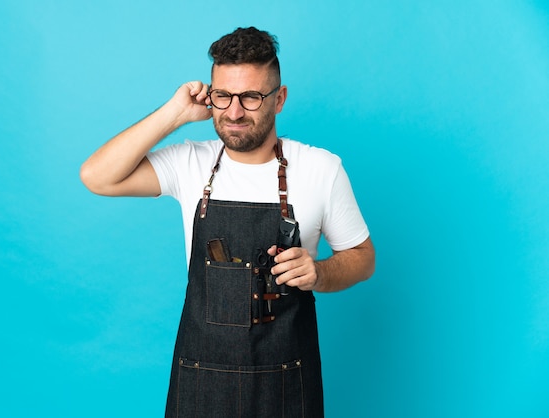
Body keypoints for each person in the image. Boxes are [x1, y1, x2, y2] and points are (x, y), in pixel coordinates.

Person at [81, 26, 375, 417]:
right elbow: (97, 176)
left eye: (251, 97)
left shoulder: (321, 169)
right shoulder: (190, 163)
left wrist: (318, 273)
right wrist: (175, 114)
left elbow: (362, 257)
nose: (234, 112)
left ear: (279, 99)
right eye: (223, 96)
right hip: (202, 378)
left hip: (285, 381)